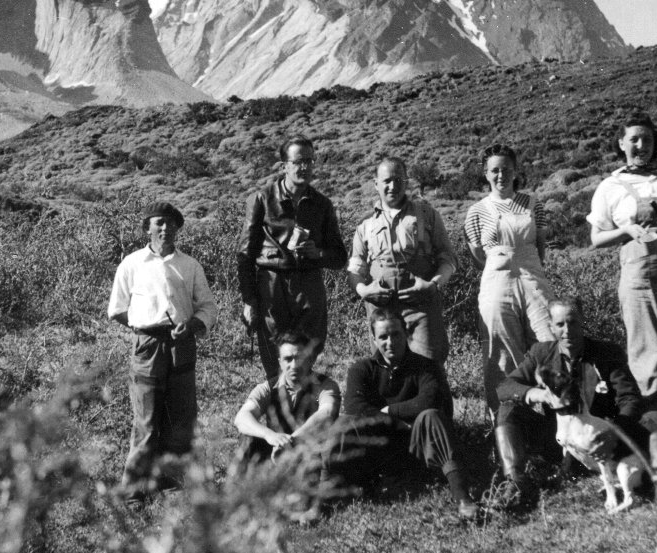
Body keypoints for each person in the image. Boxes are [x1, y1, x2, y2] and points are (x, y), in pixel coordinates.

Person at [587, 112, 657, 464]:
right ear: (621, 143)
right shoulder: (611, 186)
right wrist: (627, 232)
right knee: (647, 355)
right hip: (639, 272)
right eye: (633, 139)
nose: (640, 145)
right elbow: (596, 237)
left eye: (647, 139)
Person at [495, 298, 654, 512]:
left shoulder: (606, 352)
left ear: (582, 322)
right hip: (559, 438)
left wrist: (613, 434)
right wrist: (539, 394)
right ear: (551, 326)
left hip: (598, 442)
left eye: (573, 323)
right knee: (508, 410)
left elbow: (630, 399)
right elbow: (504, 387)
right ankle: (516, 484)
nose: (567, 330)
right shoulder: (541, 353)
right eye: (560, 324)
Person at [107, 201, 219, 495]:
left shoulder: (190, 265)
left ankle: (171, 485)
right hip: (147, 347)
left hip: (182, 345)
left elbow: (207, 307)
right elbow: (117, 309)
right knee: (146, 420)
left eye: (171, 223)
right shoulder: (132, 264)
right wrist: (144, 327)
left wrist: (191, 326)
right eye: (159, 222)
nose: (165, 228)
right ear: (147, 228)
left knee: (181, 417)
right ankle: (134, 490)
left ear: (178, 228)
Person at [333, 308, 479, 520]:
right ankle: (338, 493)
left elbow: (430, 400)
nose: (390, 342)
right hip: (378, 448)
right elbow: (355, 407)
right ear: (374, 339)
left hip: (418, 447)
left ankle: (463, 498)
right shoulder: (361, 369)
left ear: (407, 334)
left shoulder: (426, 367)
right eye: (383, 336)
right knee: (344, 422)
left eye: (395, 334)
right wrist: (396, 422)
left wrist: (390, 410)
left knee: (430, 416)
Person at [237, 137, 348, 382]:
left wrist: (317, 254)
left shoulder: (322, 205)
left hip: (309, 286)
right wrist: (249, 300)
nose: (305, 167)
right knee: (274, 353)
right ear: (284, 165)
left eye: (309, 161)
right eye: (298, 162)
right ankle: (278, 411)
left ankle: (302, 410)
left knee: (308, 351)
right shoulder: (261, 200)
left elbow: (340, 256)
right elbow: (245, 254)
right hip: (272, 286)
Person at [463, 144, 555, 415]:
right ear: (485, 174)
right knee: (500, 352)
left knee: (548, 341)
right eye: (494, 170)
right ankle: (505, 425)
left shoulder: (533, 203)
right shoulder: (477, 211)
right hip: (497, 280)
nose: (501, 175)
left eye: (506, 169)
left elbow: (541, 244)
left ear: (515, 171)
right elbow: (478, 255)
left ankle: (553, 422)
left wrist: (526, 265)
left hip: (532, 276)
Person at [347, 155, 460, 362]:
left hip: (421, 306)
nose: (393, 186)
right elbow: (355, 268)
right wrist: (364, 290)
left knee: (428, 364)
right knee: (385, 368)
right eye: (387, 181)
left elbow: (448, 259)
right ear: (375, 184)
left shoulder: (427, 214)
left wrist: (433, 285)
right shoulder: (366, 223)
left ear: (406, 182)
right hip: (380, 310)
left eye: (398, 180)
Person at [233, 331, 341, 472]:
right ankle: (243, 491)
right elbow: (242, 418)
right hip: (275, 456)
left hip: (311, 455)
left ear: (311, 359)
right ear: (280, 362)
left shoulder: (325, 385)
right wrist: (269, 435)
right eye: (288, 359)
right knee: (248, 438)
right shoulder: (267, 388)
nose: (294, 365)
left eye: (300, 358)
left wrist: (292, 440)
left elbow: (327, 413)